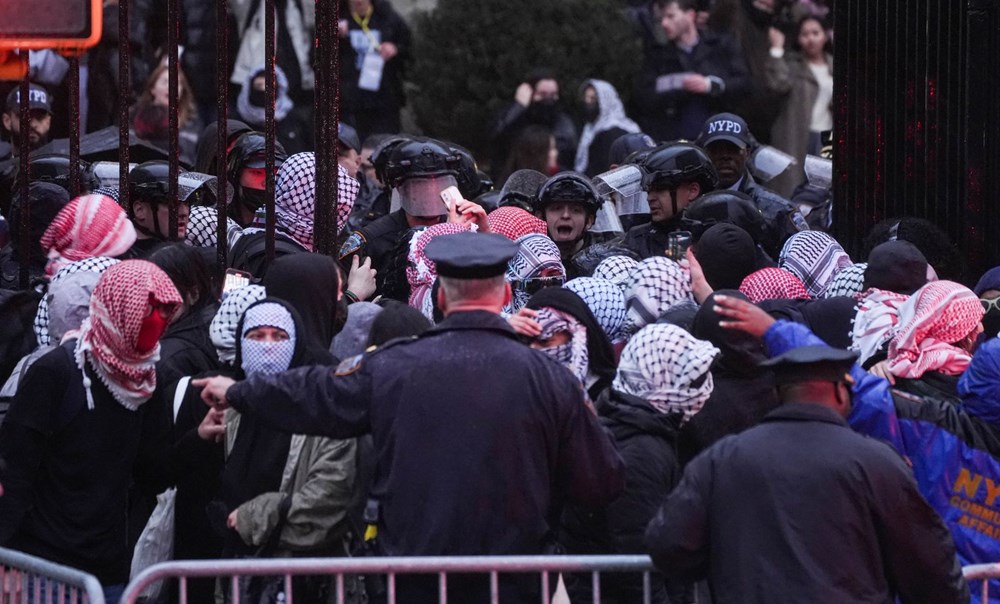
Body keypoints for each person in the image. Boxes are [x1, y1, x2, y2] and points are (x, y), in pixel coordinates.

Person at [194, 231, 624, 602]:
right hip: (513, 582)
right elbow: (600, 480)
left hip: (414, 580)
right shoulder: (549, 378)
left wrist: (238, 391)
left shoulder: (394, 366)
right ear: (507, 295)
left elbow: (317, 395)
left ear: (439, 296)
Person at [644, 331, 970, 603]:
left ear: (776, 395)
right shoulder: (877, 463)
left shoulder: (724, 458)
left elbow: (669, 544)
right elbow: (931, 567)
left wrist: (728, 569)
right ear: (842, 391)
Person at [722, 292, 1000, 598]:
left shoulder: (931, 429)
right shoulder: (932, 424)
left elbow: (850, 383)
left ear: (977, 382)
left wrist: (776, 331)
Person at [0, 261, 183, 603]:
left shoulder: (145, 381)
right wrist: (5, 560)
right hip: (43, 570)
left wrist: (198, 436)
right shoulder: (57, 373)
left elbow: (154, 472)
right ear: (117, 308)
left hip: (109, 573)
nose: (156, 320)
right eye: (148, 309)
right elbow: (15, 471)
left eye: (164, 311)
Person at [561, 323, 718, 604]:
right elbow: (637, 560)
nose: (702, 390)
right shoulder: (640, 451)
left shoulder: (632, 424)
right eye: (690, 379)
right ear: (661, 378)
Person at [633, 0, 750, 142]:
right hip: (674, 140)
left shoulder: (721, 45)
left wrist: (711, 86)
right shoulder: (658, 56)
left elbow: (744, 84)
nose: (664, 23)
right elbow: (644, 97)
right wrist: (679, 86)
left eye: (671, 16)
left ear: (690, 15)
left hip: (718, 139)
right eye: (661, 19)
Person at [695, 112, 808, 257]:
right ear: (704, 154)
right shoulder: (688, 203)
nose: (725, 156)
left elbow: (804, 261)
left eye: (733, 149)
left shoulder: (778, 210)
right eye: (716, 149)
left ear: (747, 153)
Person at [767, 15, 834, 198]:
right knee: (792, 186)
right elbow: (778, 84)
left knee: (822, 187)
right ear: (798, 38)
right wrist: (776, 50)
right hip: (796, 134)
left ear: (825, 36)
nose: (811, 38)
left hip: (827, 136)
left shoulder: (833, 65)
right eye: (805, 34)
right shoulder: (793, 65)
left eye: (815, 33)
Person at [622, 142, 719, 259]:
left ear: (693, 191)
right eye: (649, 190)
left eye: (660, 189)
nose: (649, 198)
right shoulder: (637, 238)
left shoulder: (713, 238)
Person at [338, 0, 411, 140]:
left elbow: (409, 50)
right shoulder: (338, 19)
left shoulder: (387, 18)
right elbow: (315, 60)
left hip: (384, 99)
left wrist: (395, 49)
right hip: (349, 103)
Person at [491, 68, 578, 175]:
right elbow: (498, 140)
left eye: (553, 94)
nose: (548, 100)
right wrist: (518, 107)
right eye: (543, 94)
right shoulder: (516, 120)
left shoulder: (563, 124)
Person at [534, 172, 605, 277]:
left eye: (576, 210)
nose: (565, 215)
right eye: (556, 208)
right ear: (540, 217)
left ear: (589, 221)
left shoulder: (603, 260)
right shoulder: (530, 260)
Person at [132, 58, 201, 165]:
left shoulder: (191, 119)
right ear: (152, 88)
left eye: (177, 84)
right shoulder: (135, 114)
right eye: (165, 82)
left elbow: (188, 152)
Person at [235, 65, 311, 155]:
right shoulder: (237, 121)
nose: (264, 91)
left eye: (269, 86)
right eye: (259, 86)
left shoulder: (293, 119)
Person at [125, 161, 195, 258]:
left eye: (187, 203)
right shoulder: (124, 261)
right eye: (172, 204)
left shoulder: (186, 255)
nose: (184, 212)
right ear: (139, 210)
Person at [575, 79, 641, 177]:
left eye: (593, 99)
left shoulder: (615, 133)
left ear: (605, 101)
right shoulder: (589, 130)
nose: (587, 102)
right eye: (586, 98)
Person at [225, 131, 289, 228]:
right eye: (257, 173)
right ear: (237, 174)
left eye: (273, 173)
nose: (265, 182)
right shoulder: (217, 223)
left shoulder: (289, 226)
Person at [1, 83, 53, 153]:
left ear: (48, 122)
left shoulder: (65, 161)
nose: (33, 124)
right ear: (7, 121)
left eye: (39, 117)